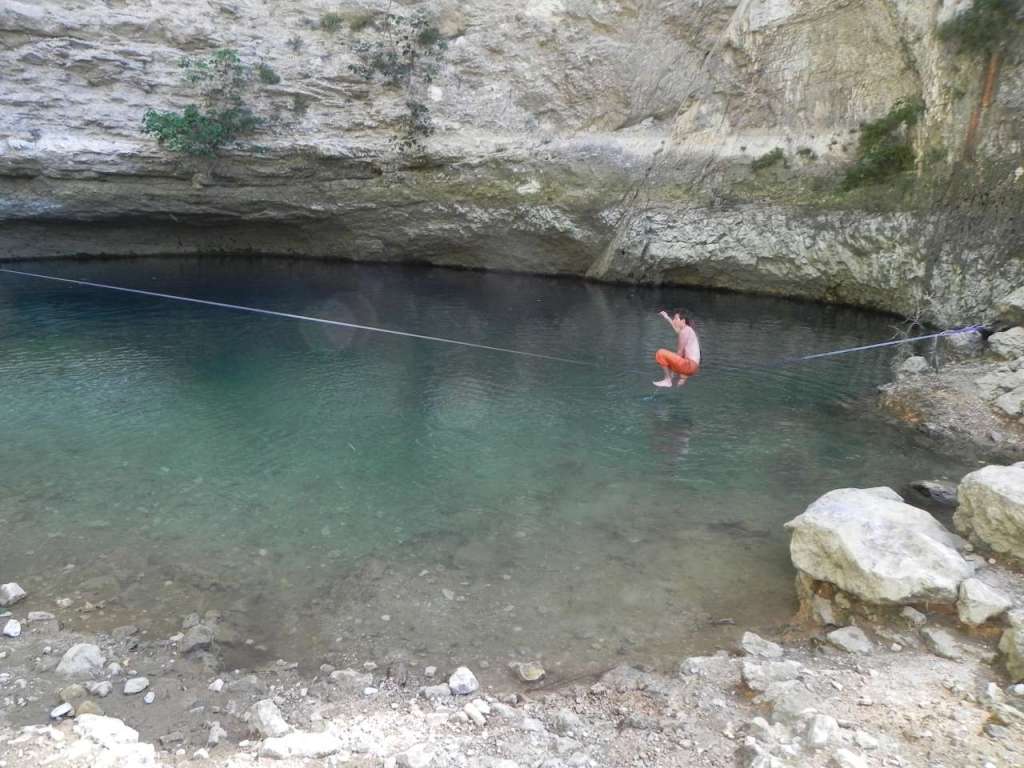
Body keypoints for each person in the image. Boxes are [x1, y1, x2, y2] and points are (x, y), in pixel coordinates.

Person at [653, 310, 700, 388]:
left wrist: (672, 373)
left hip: (689, 365)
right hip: (692, 367)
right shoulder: (687, 330)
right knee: (668, 359)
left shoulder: (685, 331)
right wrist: (667, 317)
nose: (674, 320)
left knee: (660, 353)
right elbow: (676, 328)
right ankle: (682, 377)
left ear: (683, 321)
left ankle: (668, 380)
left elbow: (679, 353)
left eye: (675, 318)